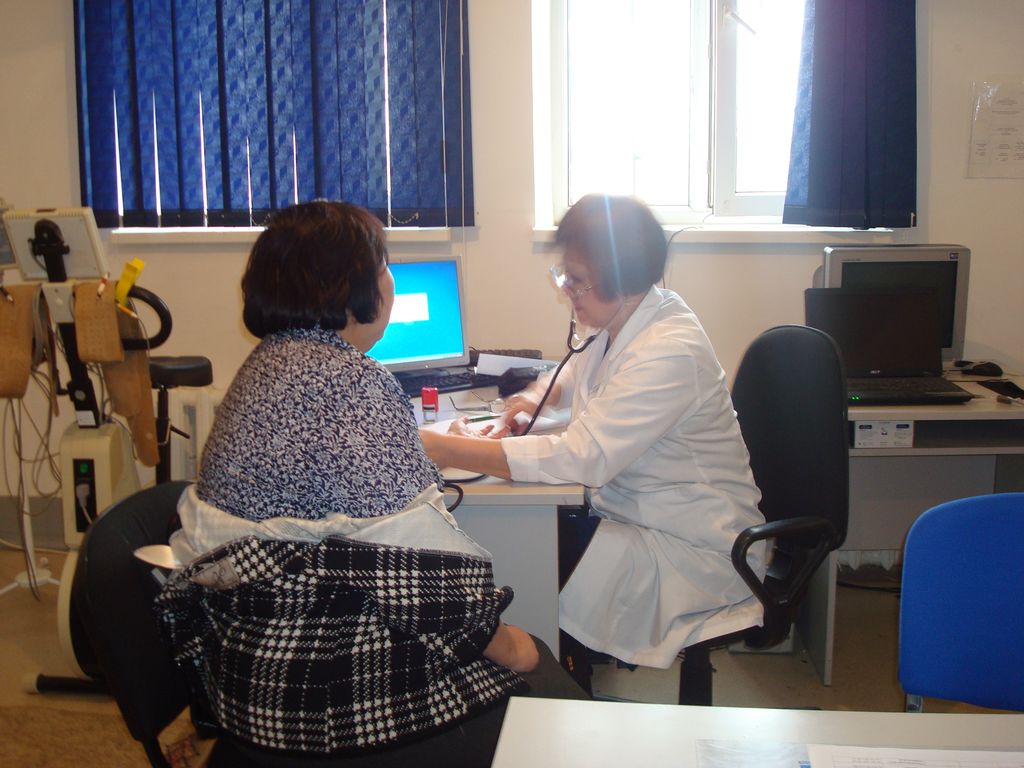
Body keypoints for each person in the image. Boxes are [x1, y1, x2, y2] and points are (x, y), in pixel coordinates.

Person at [154, 201, 582, 765]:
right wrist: (505, 645)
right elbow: (425, 574)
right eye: (384, 265)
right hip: (317, 696)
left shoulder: (265, 365)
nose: (390, 279)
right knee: (547, 682)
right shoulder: (352, 386)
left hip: (245, 673)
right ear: (352, 287)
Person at [420, 194, 768, 687]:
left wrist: (443, 448)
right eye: (565, 275)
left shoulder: (669, 349)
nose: (567, 290)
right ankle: (552, 677)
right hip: (637, 515)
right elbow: (573, 375)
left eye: (576, 280)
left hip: (692, 545)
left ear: (621, 278)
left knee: (529, 556)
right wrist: (531, 401)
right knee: (535, 539)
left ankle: (553, 693)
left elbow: (582, 457)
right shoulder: (627, 320)